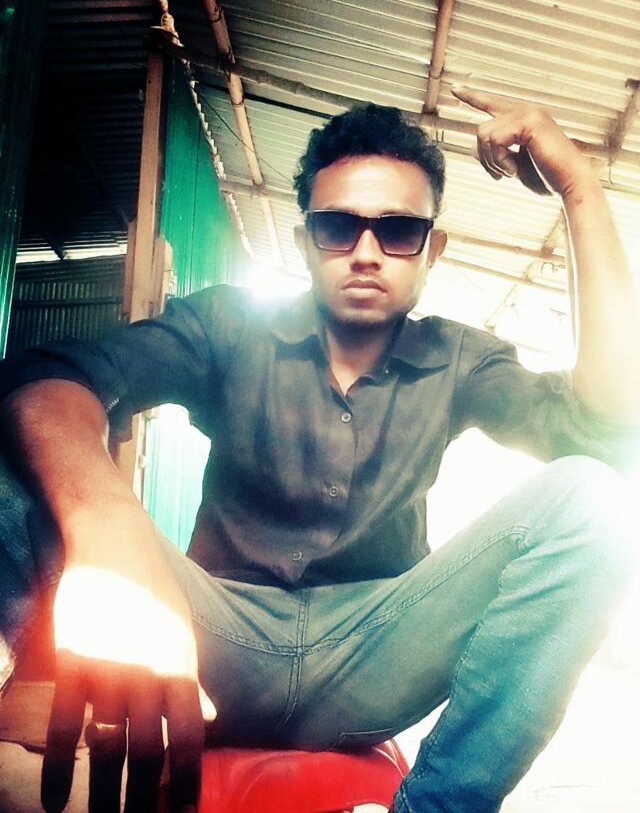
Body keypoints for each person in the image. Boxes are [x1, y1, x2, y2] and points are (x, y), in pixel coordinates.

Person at [0, 85, 638, 813]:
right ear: (305, 241)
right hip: (212, 639)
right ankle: (33, 703)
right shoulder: (228, 327)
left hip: (374, 656)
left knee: (594, 499)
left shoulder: (461, 359)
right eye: (338, 227)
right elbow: (45, 379)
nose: (365, 254)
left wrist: (579, 187)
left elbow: (604, 431)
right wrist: (108, 528)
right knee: (18, 467)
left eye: (398, 231)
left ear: (432, 250)